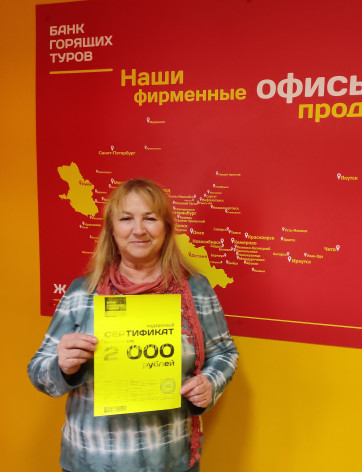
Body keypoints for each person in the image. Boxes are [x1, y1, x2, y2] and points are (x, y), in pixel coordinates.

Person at [28, 178, 238, 472]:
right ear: (111, 230)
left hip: (170, 460)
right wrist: (62, 366)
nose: (138, 230)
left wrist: (210, 383)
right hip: (91, 460)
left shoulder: (196, 289)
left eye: (150, 218)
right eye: (126, 219)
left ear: (166, 228)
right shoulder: (82, 293)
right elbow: (38, 372)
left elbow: (225, 353)